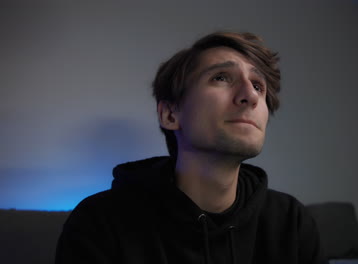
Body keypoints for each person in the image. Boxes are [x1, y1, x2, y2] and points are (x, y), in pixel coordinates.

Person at [55, 31, 327, 264]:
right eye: (221, 77)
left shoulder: (291, 223)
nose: (251, 95)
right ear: (170, 115)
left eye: (258, 85)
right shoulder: (100, 224)